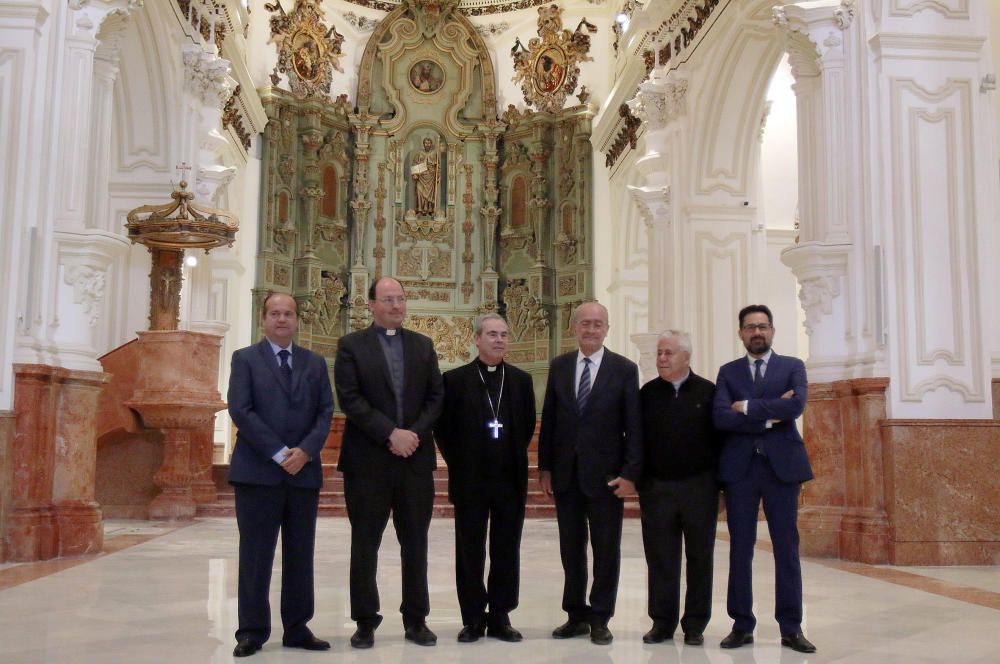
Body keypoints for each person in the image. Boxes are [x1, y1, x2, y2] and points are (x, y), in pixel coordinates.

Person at [334, 276, 444, 649]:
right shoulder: (351, 346)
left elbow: (436, 397)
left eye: (400, 299)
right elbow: (350, 398)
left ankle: (416, 619)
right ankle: (365, 620)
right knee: (365, 544)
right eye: (388, 299)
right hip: (367, 462)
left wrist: (411, 434)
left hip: (414, 461)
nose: (396, 306)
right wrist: (389, 434)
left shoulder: (423, 345)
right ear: (371, 305)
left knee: (416, 543)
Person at [227, 292, 334, 658]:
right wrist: (278, 452)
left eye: (288, 313)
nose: (282, 319)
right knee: (256, 555)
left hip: (303, 473)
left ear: (297, 320)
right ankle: (252, 631)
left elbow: (325, 413)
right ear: (263, 319)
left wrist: (305, 452)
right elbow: (241, 410)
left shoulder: (315, 363)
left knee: (300, 553)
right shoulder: (244, 359)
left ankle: (298, 627)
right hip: (258, 472)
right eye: (275, 313)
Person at [538, 301, 642, 645]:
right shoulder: (560, 366)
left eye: (598, 324)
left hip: (607, 478)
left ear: (607, 329)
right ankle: (575, 614)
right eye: (585, 323)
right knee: (571, 549)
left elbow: (634, 427)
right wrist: (546, 468)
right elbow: (550, 421)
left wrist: (630, 473)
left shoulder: (624, 369)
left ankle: (600, 616)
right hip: (566, 475)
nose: (591, 329)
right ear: (574, 328)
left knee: (606, 548)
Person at [714, 304, 817, 654]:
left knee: (786, 548)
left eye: (763, 326)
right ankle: (741, 624)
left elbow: (796, 406)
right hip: (740, 470)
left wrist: (746, 408)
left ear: (772, 330)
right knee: (740, 549)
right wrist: (771, 412)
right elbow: (721, 418)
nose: (757, 332)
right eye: (750, 327)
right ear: (741, 333)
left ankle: (791, 627)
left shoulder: (793, 366)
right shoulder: (727, 372)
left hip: (782, 469)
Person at [434, 314, 536, 643]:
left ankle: (501, 615)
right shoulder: (455, 380)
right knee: (470, 550)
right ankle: (474, 618)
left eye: (504, 334)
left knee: (507, 548)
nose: (499, 340)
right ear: (476, 339)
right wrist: (462, 463)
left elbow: (527, 426)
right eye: (492, 334)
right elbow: (444, 430)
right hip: (470, 480)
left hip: (509, 479)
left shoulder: (520, 381)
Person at [638, 330, 719, 647]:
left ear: (686, 356)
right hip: (657, 490)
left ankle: (696, 623)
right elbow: (637, 441)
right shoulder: (647, 394)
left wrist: (720, 488)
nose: (661, 358)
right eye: (659, 353)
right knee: (660, 558)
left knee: (700, 557)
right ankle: (662, 621)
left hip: (700, 489)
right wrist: (642, 482)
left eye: (668, 353)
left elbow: (719, 443)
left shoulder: (708, 392)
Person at [411, 137, 439, 216]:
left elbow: (438, 166)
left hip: (431, 176)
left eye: (429, 143)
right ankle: (420, 208)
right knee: (420, 192)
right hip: (421, 176)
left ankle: (429, 208)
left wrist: (438, 175)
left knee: (430, 194)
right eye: (426, 143)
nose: (427, 145)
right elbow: (414, 163)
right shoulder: (419, 153)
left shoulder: (435, 153)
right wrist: (415, 174)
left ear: (431, 144)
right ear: (423, 144)